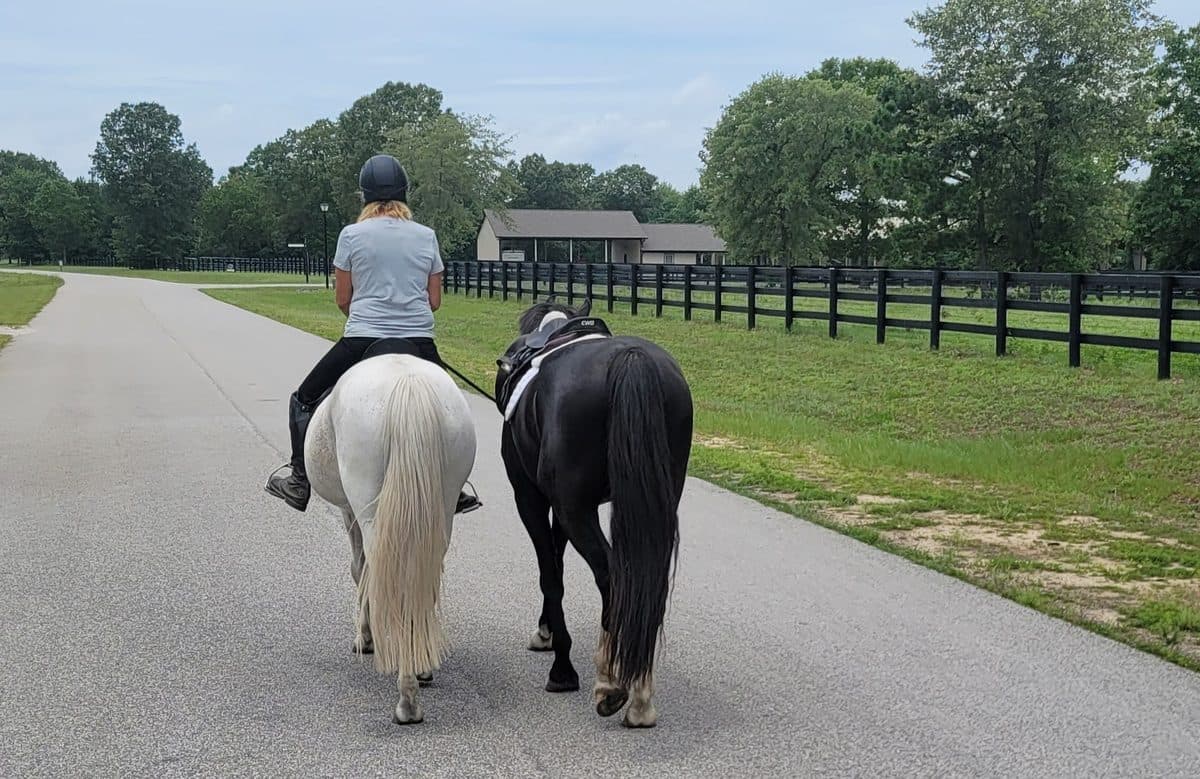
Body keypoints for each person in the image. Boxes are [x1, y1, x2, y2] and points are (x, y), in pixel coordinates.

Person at [265, 154, 482, 515]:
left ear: (364, 195)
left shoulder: (350, 236)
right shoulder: (426, 236)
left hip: (362, 339)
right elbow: (435, 300)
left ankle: (299, 479)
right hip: (418, 342)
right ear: (404, 194)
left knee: (303, 399)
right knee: (449, 409)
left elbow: (342, 299)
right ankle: (454, 487)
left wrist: (368, 315)